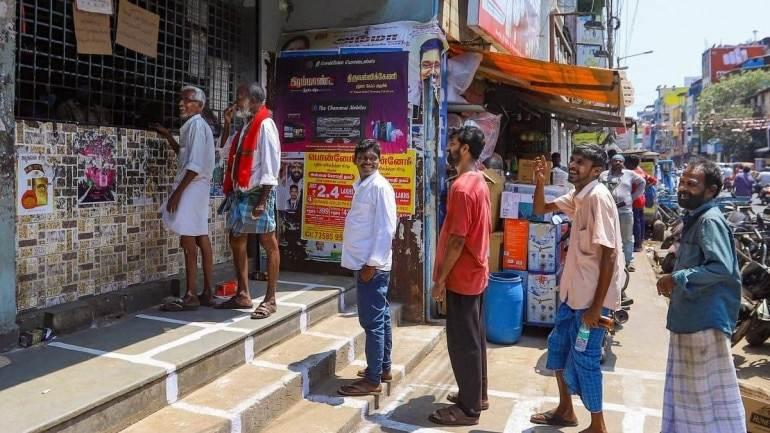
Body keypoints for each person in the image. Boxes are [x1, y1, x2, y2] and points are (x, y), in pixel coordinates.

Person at [530, 144, 623, 433]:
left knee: (585, 358)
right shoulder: (579, 196)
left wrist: (596, 308)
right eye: (573, 160)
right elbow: (540, 209)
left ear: (596, 171)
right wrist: (541, 182)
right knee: (557, 347)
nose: (573, 165)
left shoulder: (598, 197)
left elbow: (608, 254)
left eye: (580, 162)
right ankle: (565, 410)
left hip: (591, 303)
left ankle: (598, 425)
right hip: (573, 295)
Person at [656, 159, 745, 433]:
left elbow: (721, 267)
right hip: (691, 318)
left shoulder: (709, 220)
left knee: (703, 398)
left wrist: (677, 278)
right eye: (682, 182)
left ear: (711, 190)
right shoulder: (696, 218)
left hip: (703, 322)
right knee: (689, 395)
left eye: (691, 184)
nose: (683, 188)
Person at [428, 125, 490, 427]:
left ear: (464, 149)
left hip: (463, 275)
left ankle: (469, 409)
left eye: (452, 144)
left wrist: (440, 279)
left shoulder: (463, 188)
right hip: (476, 272)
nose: (448, 150)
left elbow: (457, 239)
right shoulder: (479, 180)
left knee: (463, 342)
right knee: (475, 337)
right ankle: (477, 395)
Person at [337, 139, 398, 397]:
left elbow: (386, 229)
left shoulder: (380, 187)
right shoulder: (363, 185)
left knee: (371, 322)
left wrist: (371, 264)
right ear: (355, 160)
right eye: (363, 157)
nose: (368, 162)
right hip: (365, 263)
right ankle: (382, 368)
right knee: (380, 317)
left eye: (372, 158)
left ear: (379, 160)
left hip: (371, 266)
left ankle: (373, 379)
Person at [217, 83, 281, 319]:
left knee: (267, 241)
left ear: (254, 100)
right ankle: (243, 294)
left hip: (257, 192)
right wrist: (226, 123)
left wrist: (263, 200)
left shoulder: (266, 125)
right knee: (236, 238)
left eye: (240, 97)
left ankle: (271, 299)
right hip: (240, 192)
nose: (236, 102)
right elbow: (224, 152)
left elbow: (271, 165)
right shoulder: (245, 127)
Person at [153, 86, 215, 311]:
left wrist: (178, 193)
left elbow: (194, 165)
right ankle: (207, 291)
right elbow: (184, 154)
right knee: (199, 235)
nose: (181, 104)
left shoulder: (197, 125)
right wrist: (169, 135)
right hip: (196, 186)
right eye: (181, 100)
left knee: (188, 238)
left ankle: (191, 295)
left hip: (192, 185)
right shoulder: (193, 126)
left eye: (187, 100)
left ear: (199, 105)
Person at [599, 154, 645, 272]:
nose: (618, 163)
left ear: (623, 163)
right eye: (615, 161)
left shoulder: (629, 174)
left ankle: (629, 261)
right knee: (607, 236)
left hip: (624, 210)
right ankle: (609, 260)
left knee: (627, 237)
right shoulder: (603, 175)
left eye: (620, 161)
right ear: (611, 162)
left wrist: (633, 197)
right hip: (607, 210)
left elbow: (642, 182)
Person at [624, 155, 655, 252]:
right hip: (641, 199)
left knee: (635, 223)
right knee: (640, 221)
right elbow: (653, 180)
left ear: (629, 164)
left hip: (634, 200)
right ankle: (640, 243)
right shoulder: (640, 171)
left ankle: (637, 245)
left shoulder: (631, 173)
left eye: (625, 162)